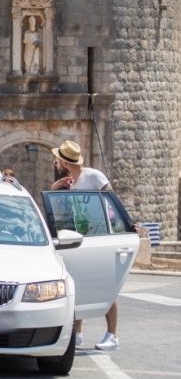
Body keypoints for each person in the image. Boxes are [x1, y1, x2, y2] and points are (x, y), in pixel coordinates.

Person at [50, 140, 118, 351]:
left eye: (57, 160)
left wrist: (117, 225)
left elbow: (111, 198)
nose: (55, 163)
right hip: (82, 238)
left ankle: (112, 335)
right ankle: (78, 333)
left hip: (100, 238)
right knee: (79, 283)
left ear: (64, 162)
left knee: (106, 286)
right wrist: (55, 187)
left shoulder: (93, 176)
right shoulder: (73, 183)